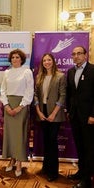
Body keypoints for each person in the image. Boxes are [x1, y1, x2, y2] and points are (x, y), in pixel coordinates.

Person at [0, 49, 34, 177]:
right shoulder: (7, 72)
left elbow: (29, 91)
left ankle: (19, 162)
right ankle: (12, 159)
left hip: (22, 106)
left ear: (22, 59)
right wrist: (7, 105)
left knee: (20, 134)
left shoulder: (27, 72)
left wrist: (20, 106)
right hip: (9, 105)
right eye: (13, 57)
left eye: (17, 57)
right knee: (10, 134)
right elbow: (2, 90)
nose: (15, 59)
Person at [34, 53, 66, 182]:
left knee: (52, 141)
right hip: (42, 112)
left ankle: (53, 172)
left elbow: (62, 96)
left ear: (53, 61)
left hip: (55, 113)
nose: (46, 62)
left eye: (49, 60)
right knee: (46, 141)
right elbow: (35, 95)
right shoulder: (39, 77)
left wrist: (53, 114)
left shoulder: (60, 76)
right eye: (44, 60)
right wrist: (38, 111)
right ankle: (46, 167)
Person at [66, 46, 94, 188]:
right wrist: (68, 111)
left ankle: (87, 180)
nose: (76, 56)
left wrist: (92, 115)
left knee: (89, 148)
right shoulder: (70, 72)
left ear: (85, 55)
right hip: (75, 116)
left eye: (79, 53)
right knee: (80, 146)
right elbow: (70, 93)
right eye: (74, 54)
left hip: (89, 118)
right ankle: (82, 172)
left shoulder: (92, 70)